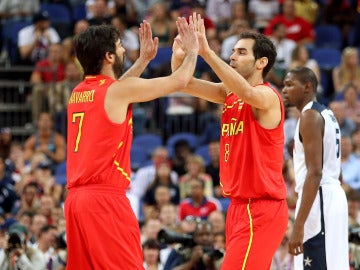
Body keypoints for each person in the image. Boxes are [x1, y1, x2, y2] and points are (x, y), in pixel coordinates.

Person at [65, 16, 199, 270]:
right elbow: (178, 81)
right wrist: (194, 51)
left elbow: (118, 90)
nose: (124, 49)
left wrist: (143, 60)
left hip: (76, 202)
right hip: (104, 200)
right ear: (109, 57)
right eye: (119, 46)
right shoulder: (115, 92)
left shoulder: (79, 92)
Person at [171, 13, 288, 269]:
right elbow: (182, 83)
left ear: (261, 62)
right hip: (237, 207)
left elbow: (247, 92)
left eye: (242, 52)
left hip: (261, 208)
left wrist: (207, 52)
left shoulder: (267, 96)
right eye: (233, 51)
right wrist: (181, 54)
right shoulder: (229, 94)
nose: (233, 56)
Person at [282, 67, 349, 269]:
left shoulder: (309, 116)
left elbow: (315, 173)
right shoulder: (326, 113)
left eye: (290, 84)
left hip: (318, 197)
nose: (284, 90)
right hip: (331, 195)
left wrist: (298, 225)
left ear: (307, 87)